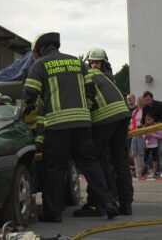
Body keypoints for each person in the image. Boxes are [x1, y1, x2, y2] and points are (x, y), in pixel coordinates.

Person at [23, 32, 119, 222]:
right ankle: (108, 202)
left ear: (40, 49)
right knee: (90, 163)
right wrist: (83, 111)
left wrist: (29, 107)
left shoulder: (40, 64)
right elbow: (91, 91)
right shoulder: (77, 62)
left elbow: (29, 93)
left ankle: (54, 213)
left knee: (55, 168)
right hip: (82, 123)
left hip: (56, 125)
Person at [73, 48, 134, 217]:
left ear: (104, 63)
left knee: (100, 160)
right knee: (120, 160)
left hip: (105, 118)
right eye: (92, 62)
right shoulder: (107, 77)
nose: (94, 65)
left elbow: (87, 101)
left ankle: (107, 202)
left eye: (97, 62)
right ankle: (126, 205)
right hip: (122, 115)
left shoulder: (86, 76)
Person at [141, 91, 162, 174]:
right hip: (150, 133)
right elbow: (143, 121)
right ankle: (154, 171)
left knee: (160, 150)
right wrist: (144, 128)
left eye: (148, 99)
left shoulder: (160, 105)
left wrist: (157, 123)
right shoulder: (145, 107)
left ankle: (159, 171)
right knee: (149, 154)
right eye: (145, 100)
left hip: (159, 130)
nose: (147, 102)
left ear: (152, 98)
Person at [142, 113, 162, 177]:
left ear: (153, 119)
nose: (148, 121)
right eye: (147, 120)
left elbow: (160, 136)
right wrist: (145, 136)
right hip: (147, 145)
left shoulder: (156, 126)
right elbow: (142, 134)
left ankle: (154, 173)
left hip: (154, 145)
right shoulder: (145, 126)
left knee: (155, 159)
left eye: (149, 119)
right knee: (145, 159)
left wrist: (151, 135)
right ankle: (142, 172)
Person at [130, 97, 146, 178]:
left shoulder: (145, 111)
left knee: (141, 154)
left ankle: (140, 173)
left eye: (140, 102)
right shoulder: (135, 111)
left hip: (142, 135)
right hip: (135, 134)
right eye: (137, 102)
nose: (138, 103)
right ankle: (138, 173)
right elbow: (132, 122)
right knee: (135, 154)